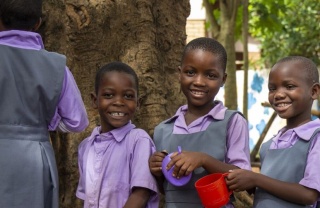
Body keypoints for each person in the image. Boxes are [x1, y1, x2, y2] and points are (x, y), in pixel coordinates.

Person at [0, 0, 89, 207]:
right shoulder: (56, 66)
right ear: (38, 24)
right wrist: (44, 121)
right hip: (35, 158)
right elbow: (78, 121)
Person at [149, 37, 251, 208]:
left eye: (210, 75)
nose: (199, 81)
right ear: (179, 73)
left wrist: (204, 159)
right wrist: (158, 171)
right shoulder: (163, 130)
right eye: (190, 72)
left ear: (223, 79)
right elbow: (166, 189)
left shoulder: (231, 122)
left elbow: (243, 178)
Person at [226, 56, 320, 208]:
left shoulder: (315, 137)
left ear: (314, 91)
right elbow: (271, 190)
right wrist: (247, 183)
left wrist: (256, 179)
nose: (278, 94)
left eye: (289, 86)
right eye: (272, 88)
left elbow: (309, 195)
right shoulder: (269, 145)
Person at [76, 62, 159, 208]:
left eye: (128, 96)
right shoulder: (86, 147)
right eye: (109, 95)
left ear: (138, 103)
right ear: (95, 100)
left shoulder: (138, 140)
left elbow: (141, 193)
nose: (119, 102)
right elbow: (87, 198)